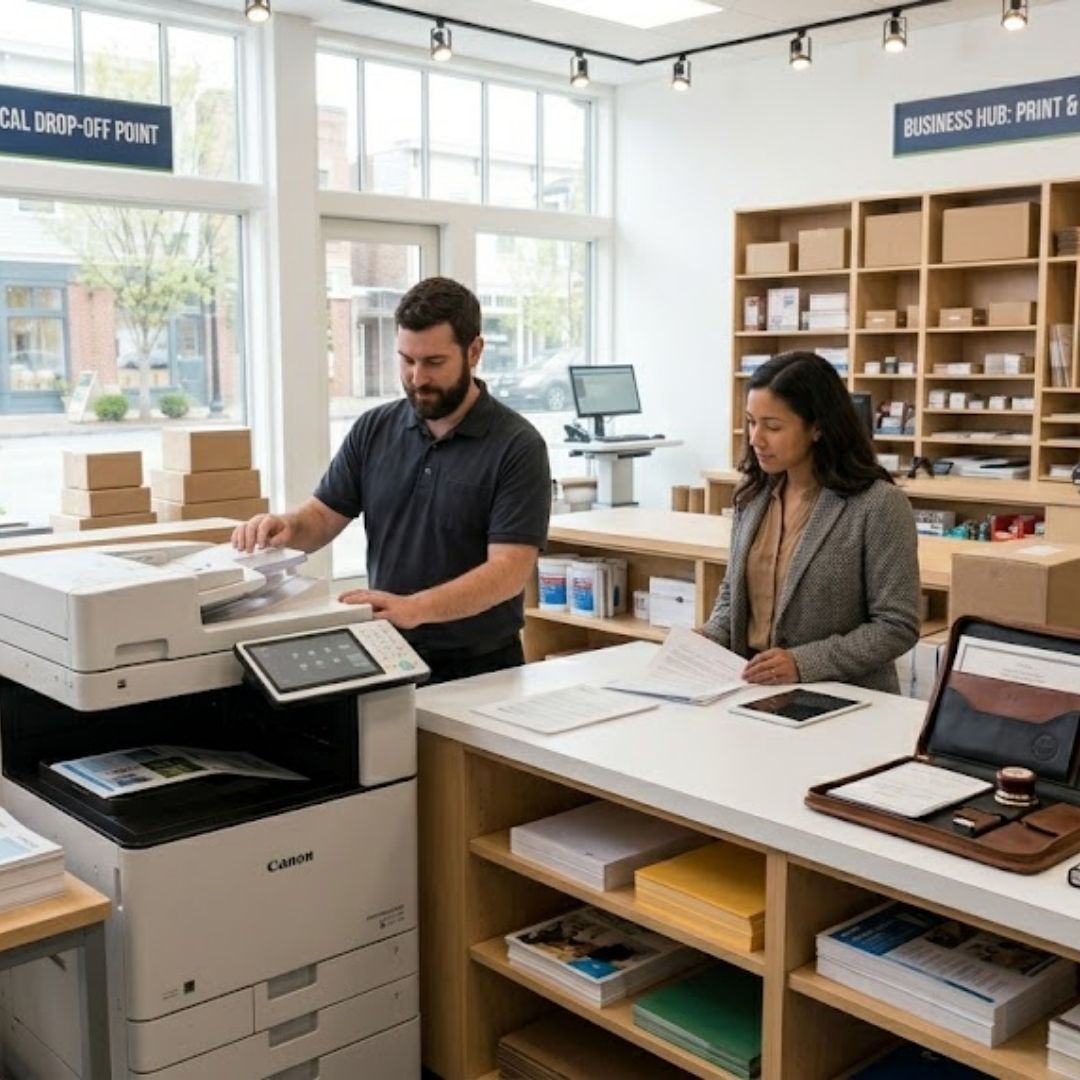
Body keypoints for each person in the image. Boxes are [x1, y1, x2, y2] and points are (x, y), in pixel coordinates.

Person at [232, 276, 551, 683]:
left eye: (434, 362)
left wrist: (416, 608)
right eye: (406, 360)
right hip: (388, 652)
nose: (417, 378)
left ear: (474, 352)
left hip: (481, 666)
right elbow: (323, 517)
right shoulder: (374, 429)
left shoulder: (518, 446)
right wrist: (287, 527)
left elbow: (508, 571)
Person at [702, 351, 920, 693]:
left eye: (773, 426)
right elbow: (734, 595)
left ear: (817, 427)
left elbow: (897, 625)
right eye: (751, 422)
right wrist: (708, 638)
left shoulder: (878, 504)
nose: (756, 438)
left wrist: (803, 663)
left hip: (843, 698)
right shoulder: (754, 495)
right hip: (753, 689)